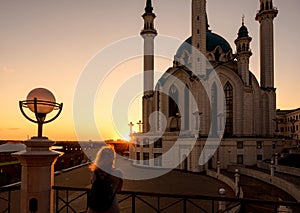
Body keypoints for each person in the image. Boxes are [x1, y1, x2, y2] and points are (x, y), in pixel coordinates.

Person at [88, 146, 123, 213]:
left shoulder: (94, 172)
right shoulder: (117, 173)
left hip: (94, 207)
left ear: (99, 157)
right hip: (111, 207)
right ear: (113, 158)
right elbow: (119, 190)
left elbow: (93, 185)